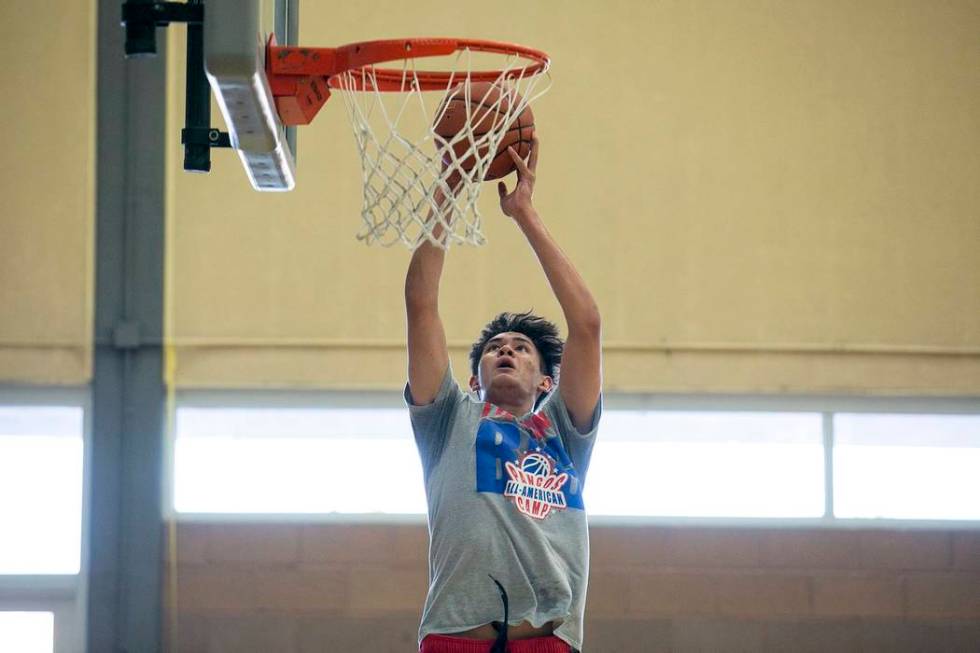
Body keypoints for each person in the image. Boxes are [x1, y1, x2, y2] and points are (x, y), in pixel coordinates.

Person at [404, 138, 602, 653]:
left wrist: (524, 213)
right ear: (475, 379)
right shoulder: (448, 418)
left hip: (547, 639)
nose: (506, 351)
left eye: (521, 348)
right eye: (494, 348)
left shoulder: (565, 431)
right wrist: (449, 187)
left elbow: (587, 324)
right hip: (456, 638)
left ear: (545, 383)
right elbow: (420, 304)